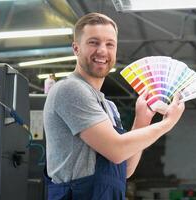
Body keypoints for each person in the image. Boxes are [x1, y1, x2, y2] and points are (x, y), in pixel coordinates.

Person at [43, 12, 185, 200]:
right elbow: (117, 151)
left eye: (110, 44)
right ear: (76, 48)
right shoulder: (70, 89)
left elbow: (124, 168)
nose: (102, 50)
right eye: (94, 42)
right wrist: (167, 124)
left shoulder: (108, 106)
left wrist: (142, 119)